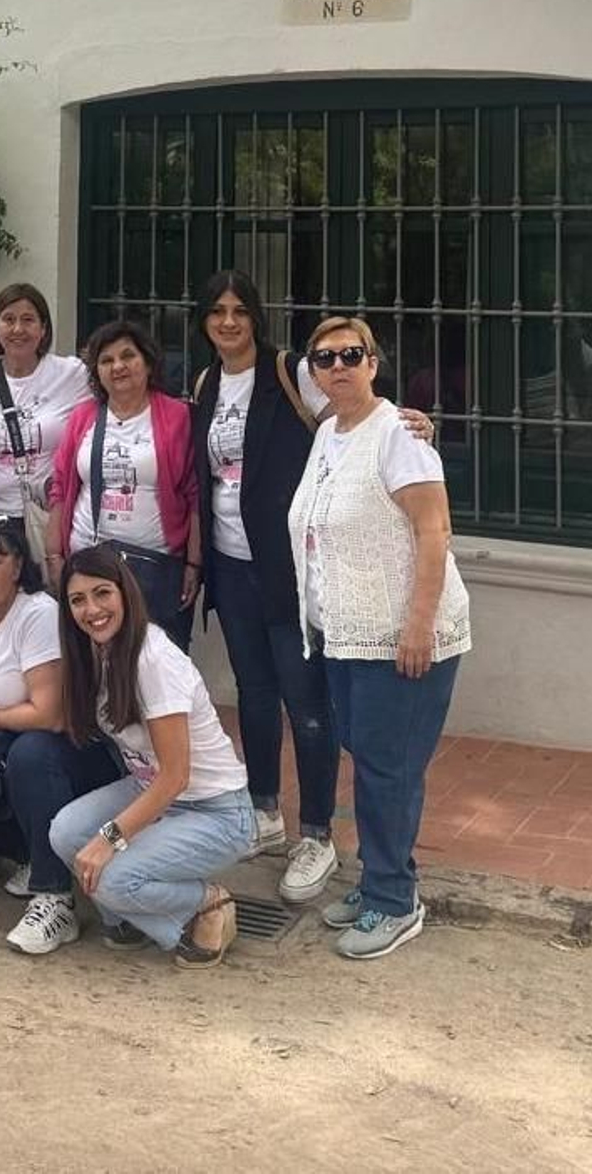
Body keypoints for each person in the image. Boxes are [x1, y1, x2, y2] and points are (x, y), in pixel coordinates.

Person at [191, 269, 420, 903]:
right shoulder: (207, 383)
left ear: (255, 317)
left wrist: (409, 425)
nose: (229, 322)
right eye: (217, 311)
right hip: (230, 565)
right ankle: (265, 810)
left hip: (289, 567)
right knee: (254, 693)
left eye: (240, 310)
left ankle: (317, 831)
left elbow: (355, 417)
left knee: (307, 702)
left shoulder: (291, 372)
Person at [289, 316, 472, 960]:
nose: (338, 366)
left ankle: (395, 901)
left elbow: (434, 530)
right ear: (313, 372)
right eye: (325, 358)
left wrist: (418, 623)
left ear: (373, 363)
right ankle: (379, 884)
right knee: (370, 762)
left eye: (351, 354)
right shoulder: (329, 434)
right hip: (346, 634)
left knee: (388, 770)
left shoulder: (399, 435)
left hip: (402, 636)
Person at [48, 545, 255, 967]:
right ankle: (133, 915)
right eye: (78, 600)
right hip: (152, 791)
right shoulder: (97, 651)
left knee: (111, 877)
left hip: (214, 810)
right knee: (65, 832)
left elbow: (176, 776)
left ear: (125, 592)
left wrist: (109, 839)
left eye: (102, 593)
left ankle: (207, 902)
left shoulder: (153, 660)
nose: (92, 610)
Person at [0, 516, 120, 955]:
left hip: (70, 754)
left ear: (18, 565)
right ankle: (29, 855)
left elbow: (51, 715)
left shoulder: (37, 613)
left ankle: (54, 897)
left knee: (31, 753)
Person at [45, 319, 200, 652]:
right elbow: (61, 486)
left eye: (128, 356)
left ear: (148, 362)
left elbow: (194, 494)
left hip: (155, 566)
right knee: (91, 663)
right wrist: (55, 555)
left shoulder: (177, 417)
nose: (118, 366)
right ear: (97, 372)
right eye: (106, 360)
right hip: (88, 562)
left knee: (156, 661)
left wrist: (193, 563)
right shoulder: (83, 416)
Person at [0, 282, 86, 531]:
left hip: (49, 518)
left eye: (28, 320)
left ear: (43, 328)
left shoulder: (72, 374)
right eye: (8, 319)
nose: (18, 329)